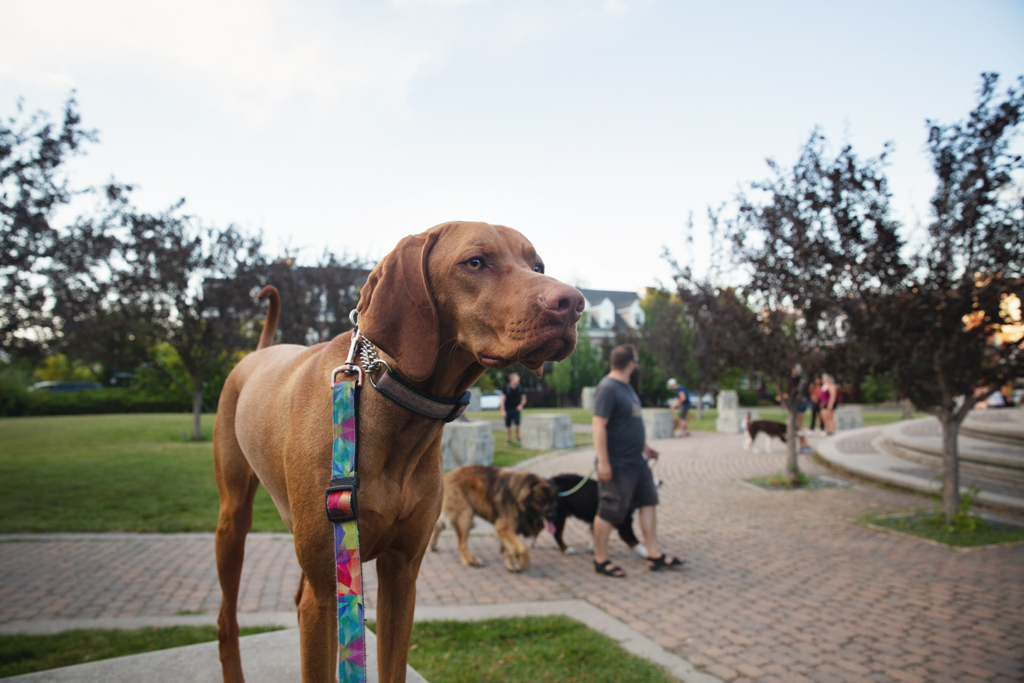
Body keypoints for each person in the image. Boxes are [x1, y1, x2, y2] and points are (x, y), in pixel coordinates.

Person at [592, 345, 683, 578]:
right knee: (608, 511)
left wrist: (644, 447)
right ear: (631, 363)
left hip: (637, 461)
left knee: (648, 501)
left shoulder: (626, 388)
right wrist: (603, 462)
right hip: (617, 463)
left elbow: (627, 423)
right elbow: (598, 425)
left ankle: (654, 554)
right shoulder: (608, 388)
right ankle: (600, 559)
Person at [500, 372, 528, 445]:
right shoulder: (506, 388)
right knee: (508, 425)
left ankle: (517, 438)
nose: (518, 379)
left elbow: (524, 398)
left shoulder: (520, 388)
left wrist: (521, 405)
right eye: (517, 378)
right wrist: (503, 411)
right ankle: (509, 440)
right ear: (512, 379)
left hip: (516, 409)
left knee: (517, 424)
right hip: (508, 409)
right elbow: (502, 400)